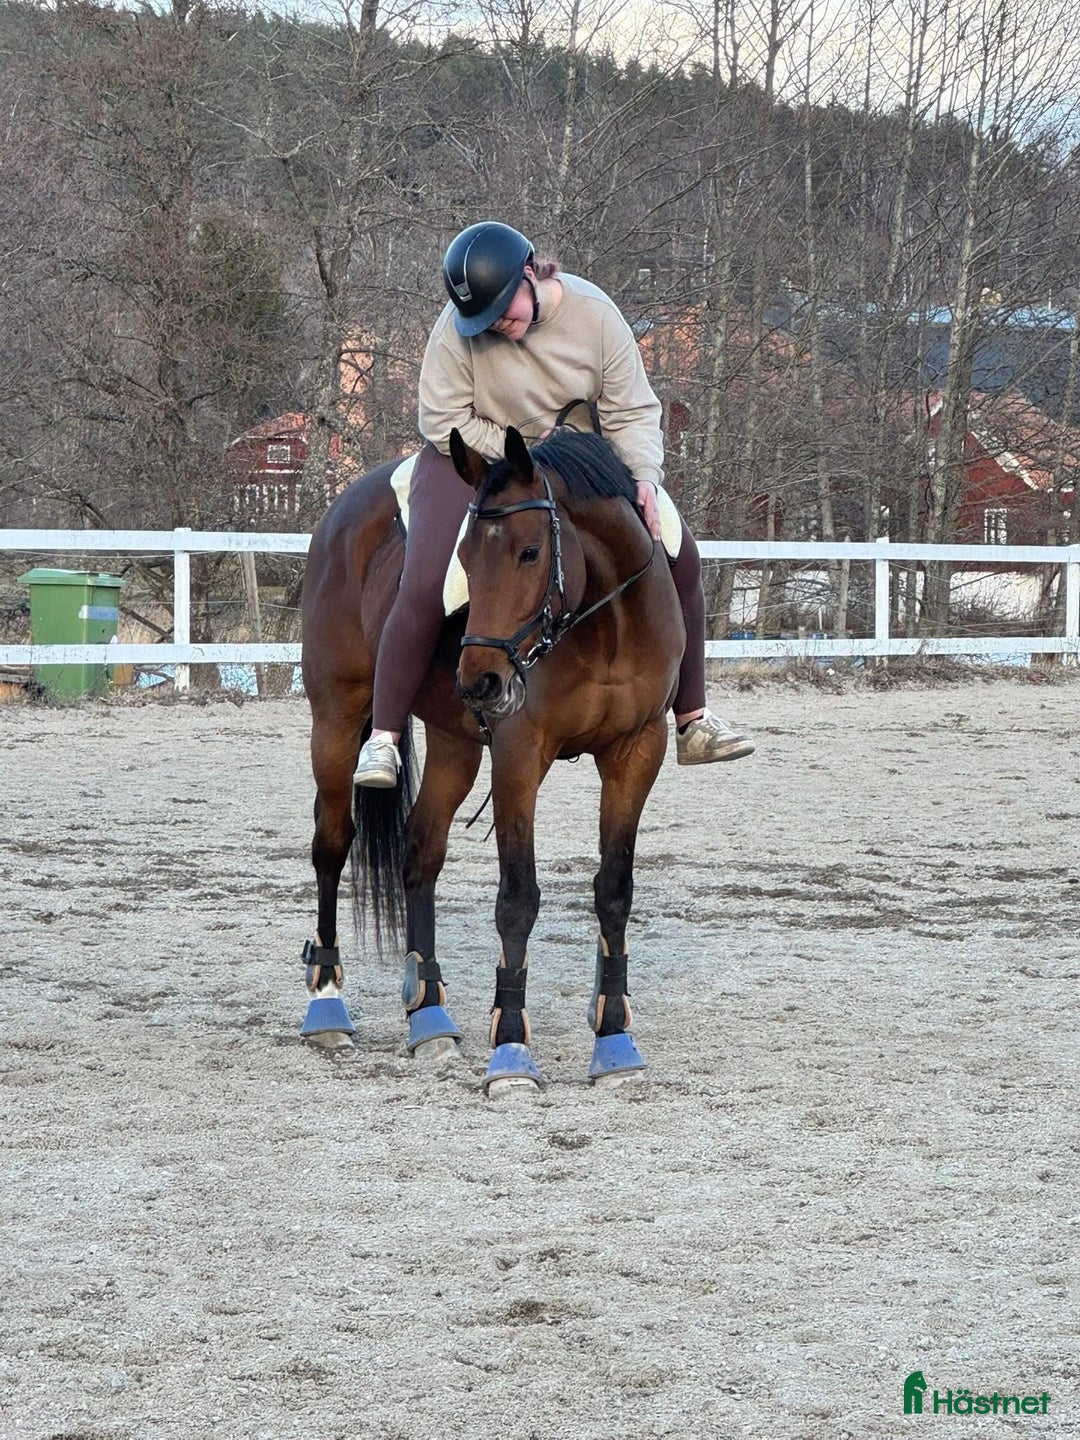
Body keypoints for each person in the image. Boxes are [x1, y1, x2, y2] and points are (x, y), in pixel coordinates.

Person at [354, 221, 754, 787]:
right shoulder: (456, 328)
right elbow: (443, 420)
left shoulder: (597, 315)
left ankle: (692, 717)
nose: (495, 324)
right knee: (426, 581)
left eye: (502, 310)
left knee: (678, 552)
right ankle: (385, 739)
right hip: (472, 455)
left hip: (577, 460)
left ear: (531, 273)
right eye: (483, 319)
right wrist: (519, 452)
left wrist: (644, 476)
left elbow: (632, 411)